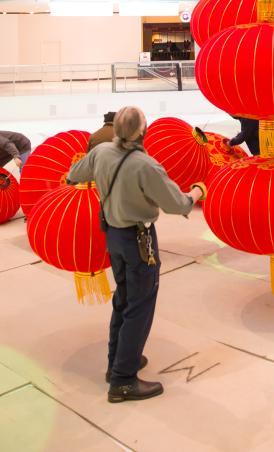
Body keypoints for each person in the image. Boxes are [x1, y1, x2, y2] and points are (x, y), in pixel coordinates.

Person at [67, 106, 206, 403]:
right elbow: (179, 205)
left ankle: (117, 362)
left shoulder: (101, 152)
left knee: (123, 298)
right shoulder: (146, 166)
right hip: (139, 239)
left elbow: (73, 175)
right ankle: (123, 380)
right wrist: (197, 192)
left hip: (113, 235)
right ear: (143, 132)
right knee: (139, 306)